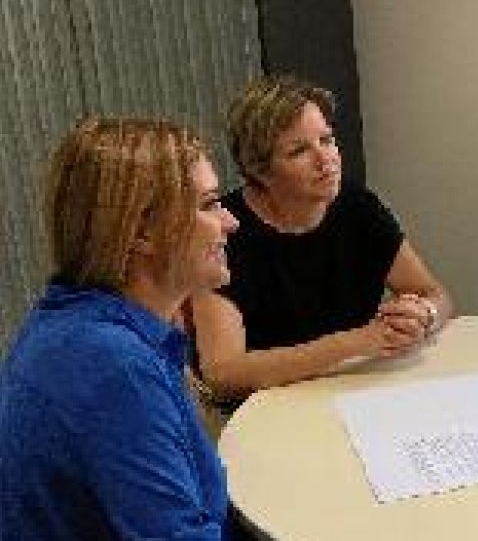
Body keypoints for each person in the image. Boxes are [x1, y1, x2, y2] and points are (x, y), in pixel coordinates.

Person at [0, 118, 237, 539]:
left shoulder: (74, 322)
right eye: (208, 205)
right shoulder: (113, 366)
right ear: (142, 231)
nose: (230, 222)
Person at [189, 74, 453, 409]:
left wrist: (421, 316)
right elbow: (224, 375)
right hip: (268, 409)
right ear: (260, 170)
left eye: (326, 140)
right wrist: (354, 343)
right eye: (299, 150)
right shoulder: (224, 231)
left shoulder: (357, 205)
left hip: (354, 389)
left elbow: (436, 294)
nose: (325, 159)